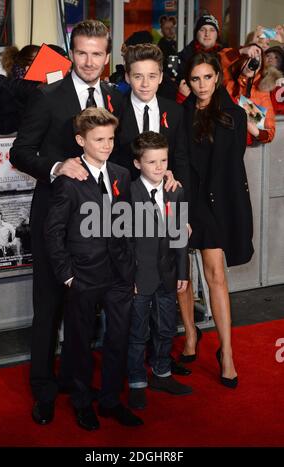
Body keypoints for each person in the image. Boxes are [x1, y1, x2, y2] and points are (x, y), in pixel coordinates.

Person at [9, 19, 124, 426]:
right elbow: (20, 153)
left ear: (107, 57)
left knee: (84, 312)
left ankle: (78, 384)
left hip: (98, 227)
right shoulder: (48, 95)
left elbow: (120, 156)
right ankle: (43, 389)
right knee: (50, 307)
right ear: (70, 52)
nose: (89, 61)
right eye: (82, 52)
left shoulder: (114, 96)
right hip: (54, 221)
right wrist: (57, 166)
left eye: (97, 53)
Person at [44, 107, 143, 430]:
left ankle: (111, 400)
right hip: (83, 274)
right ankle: (82, 401)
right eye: (98, 139)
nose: (106, 145)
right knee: (80, 340)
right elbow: (53, 231)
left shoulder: (122, 174)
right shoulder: (70, 181)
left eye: (111, 138)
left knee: (119, 338)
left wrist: (132, 268)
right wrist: (67, 274)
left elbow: (128, 223)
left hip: (119, 273)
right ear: (80, 140)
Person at [174, 52, 254, 388]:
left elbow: (232, 166)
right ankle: (191, 334)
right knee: (181, 274)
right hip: (185, 200)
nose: (202, 85)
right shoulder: (179, 115)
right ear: (187, 82)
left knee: (215, 275)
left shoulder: (233, 114)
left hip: (215, 204)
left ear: (217, 78)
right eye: (196, 79)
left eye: (208, 77)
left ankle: (228, 354)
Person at [127, 131, 192, 410]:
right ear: (137, 163)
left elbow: (180, 236)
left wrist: (183, 272)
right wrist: (129, 277)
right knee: (138, 333)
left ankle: (162, 373)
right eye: (151, 161)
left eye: (163, 160)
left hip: (167, 275)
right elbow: (124, 244)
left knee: (166, 328)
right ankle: (137, 382)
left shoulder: (175, 191)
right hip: (140, 279)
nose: (159, 167)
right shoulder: (128, 193)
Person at [114, 43, 190, 195]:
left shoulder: (175, 112)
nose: (145, 84)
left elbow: (181, 159)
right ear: (128, 77)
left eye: (152, 76)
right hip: (124, 199)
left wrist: (182, 199)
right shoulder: (115, 111)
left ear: (161, 77)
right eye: (138, 76)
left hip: (165, 197)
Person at [220, 44, 276, 145]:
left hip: (242, 144)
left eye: (256, 61)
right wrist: (240, 51)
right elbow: (214, 64)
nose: (252, 64)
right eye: (249, 59)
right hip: (220, 139)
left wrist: (255, 130)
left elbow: (270, 132)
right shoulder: (227, 78)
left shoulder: (261, 90)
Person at [177, 14, 223, 103]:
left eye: (212, 30)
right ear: (196, 33)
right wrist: (182, 96)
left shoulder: (225, 56)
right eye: (202, 30)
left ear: (217, 34)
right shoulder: (183, 57)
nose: (207, 34)